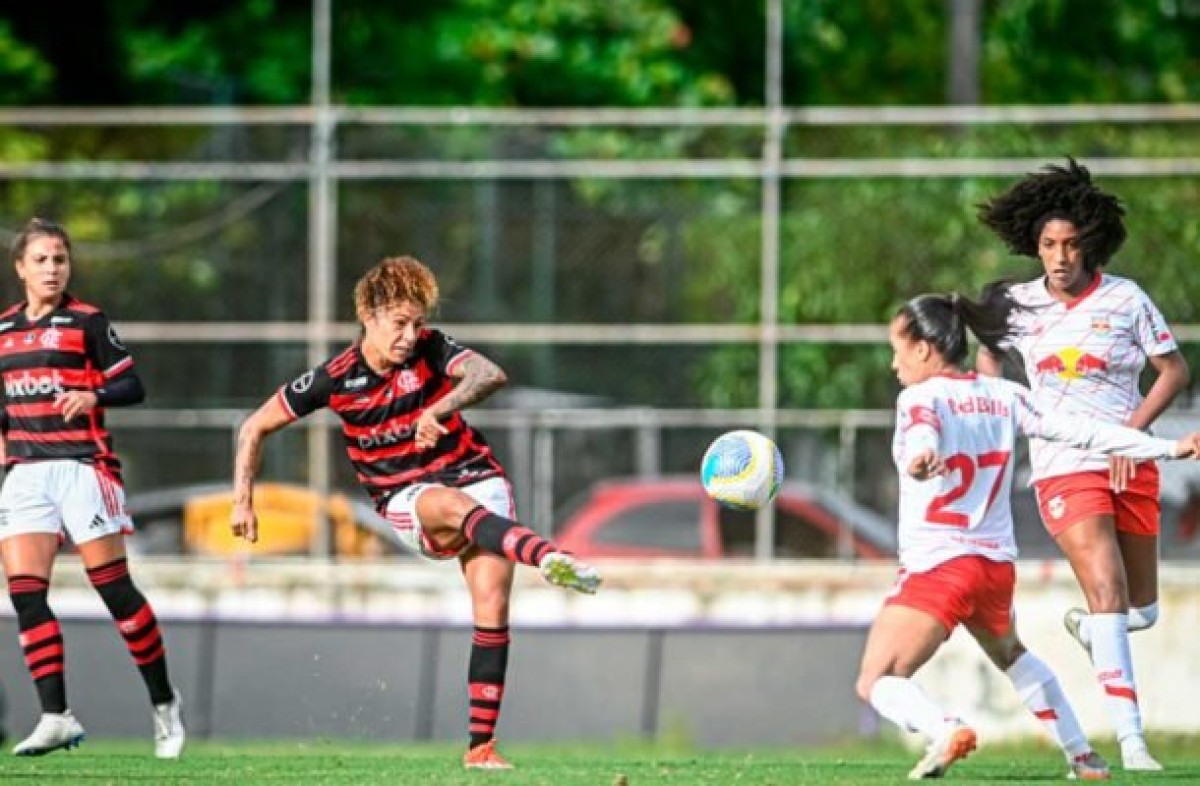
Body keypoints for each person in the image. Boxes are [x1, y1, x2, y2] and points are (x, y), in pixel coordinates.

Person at [230, 255, 601, 770]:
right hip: (408, 497)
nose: (410, 335)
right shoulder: (335, 379)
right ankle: (550, 555)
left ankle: (480, 750)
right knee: (449, 504)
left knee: (491, 607)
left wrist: (439, 409)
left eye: (418, 323)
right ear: (368, 314)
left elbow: (489, 374)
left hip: (477, 474)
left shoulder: (432, 349)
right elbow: (254, 427)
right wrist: (243, 500)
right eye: (400, 323)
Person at [857, 284, 1200, 780]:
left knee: (878, 679)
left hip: (940, 564)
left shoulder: (919, 399)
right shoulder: (1005, 396)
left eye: (897, 350)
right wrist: (1167, 448)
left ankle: (943, 728)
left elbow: (924, 428)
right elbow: (1085, 431)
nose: (894, 365)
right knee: (1012, 656)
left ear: (924, 349)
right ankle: (1083, 756)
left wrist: (922, 455)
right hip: (994, 568)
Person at [976, 158, 1190, 770]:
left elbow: (1173, 371)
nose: (1060, 256)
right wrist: (1000, 408)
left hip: (1130, 461)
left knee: (1138, 610)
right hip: (1063, 463)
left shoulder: (1126, 300)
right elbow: (989, 358)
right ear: (1035, 248)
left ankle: (1091, 626)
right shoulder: (1018, 304)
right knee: (1109, 589)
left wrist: (1132, 433)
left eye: (1070, 244)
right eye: (1048, 245)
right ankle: (1132, 742)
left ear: (1089, 244)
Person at [0, 218, 185, 758]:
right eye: (42, 260)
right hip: (26, 473)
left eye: (60, 259)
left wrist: (94, 393)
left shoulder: (87, 322)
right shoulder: (4, 332)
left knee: (113, 589)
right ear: (21, 268)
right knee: (26, 596)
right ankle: (56, 715)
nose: (52, 268)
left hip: (82, 466)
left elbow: (133, 383)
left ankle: (163, 702)